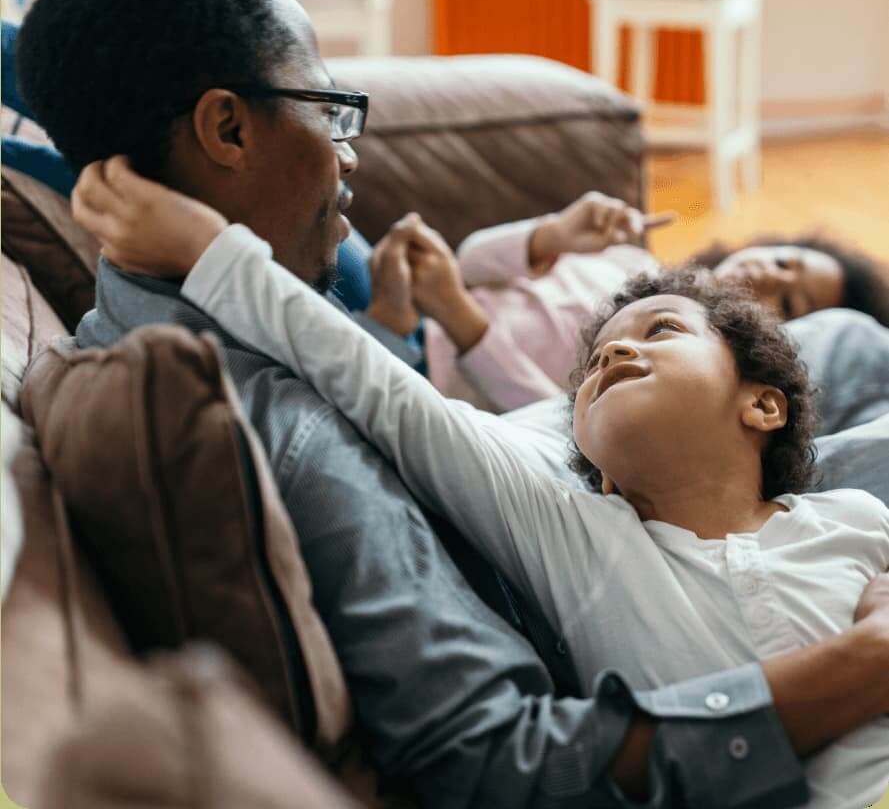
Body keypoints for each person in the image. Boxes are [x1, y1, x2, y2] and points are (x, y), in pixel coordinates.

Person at [18, 0, 889, 807]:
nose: (349, 154)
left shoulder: (154, 316)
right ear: (228, 127)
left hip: (602, 465)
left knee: (841, 344)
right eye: (331, 109)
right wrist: (865, 663)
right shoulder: (289, 434)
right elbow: (498, 759)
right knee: (848, 342)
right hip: (613, 526)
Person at [70, 162, 889, 809]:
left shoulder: (851, 514)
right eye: (596, 359)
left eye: (661, 332)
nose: (608, 355)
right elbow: (384, 393)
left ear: (762, 403)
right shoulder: (576, 534)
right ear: (587, 453)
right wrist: (213, 252)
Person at [370, 202, 889, 413]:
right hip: (410, 300)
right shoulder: (628, 255)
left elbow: (556, 417)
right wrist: (554, 232)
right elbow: (470, 263)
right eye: (784, 261)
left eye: (788, 301)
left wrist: (463, 321)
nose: (768, 277)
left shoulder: (678, 359)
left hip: (423, 372)